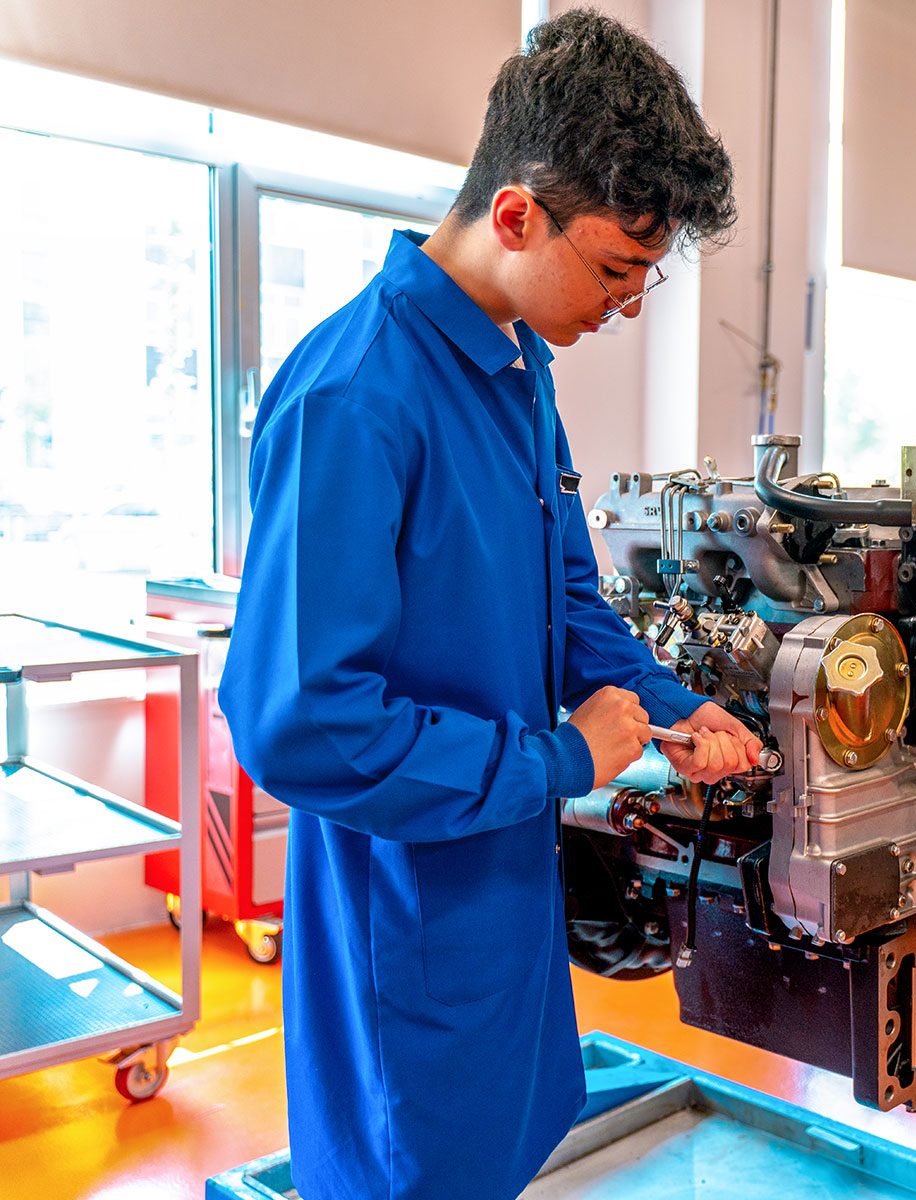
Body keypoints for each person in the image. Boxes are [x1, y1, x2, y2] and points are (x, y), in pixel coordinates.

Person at [219, 13, 759, 1199]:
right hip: (401, 908)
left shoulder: (516, 373)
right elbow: (301, 724)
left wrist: (674, 712)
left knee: (500, 1146)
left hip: (504, 887)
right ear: (517, 214)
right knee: (413, 1165)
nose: (627, 306)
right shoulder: (357, 399)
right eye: (617, 269)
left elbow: (564, 600)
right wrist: (562, 758)